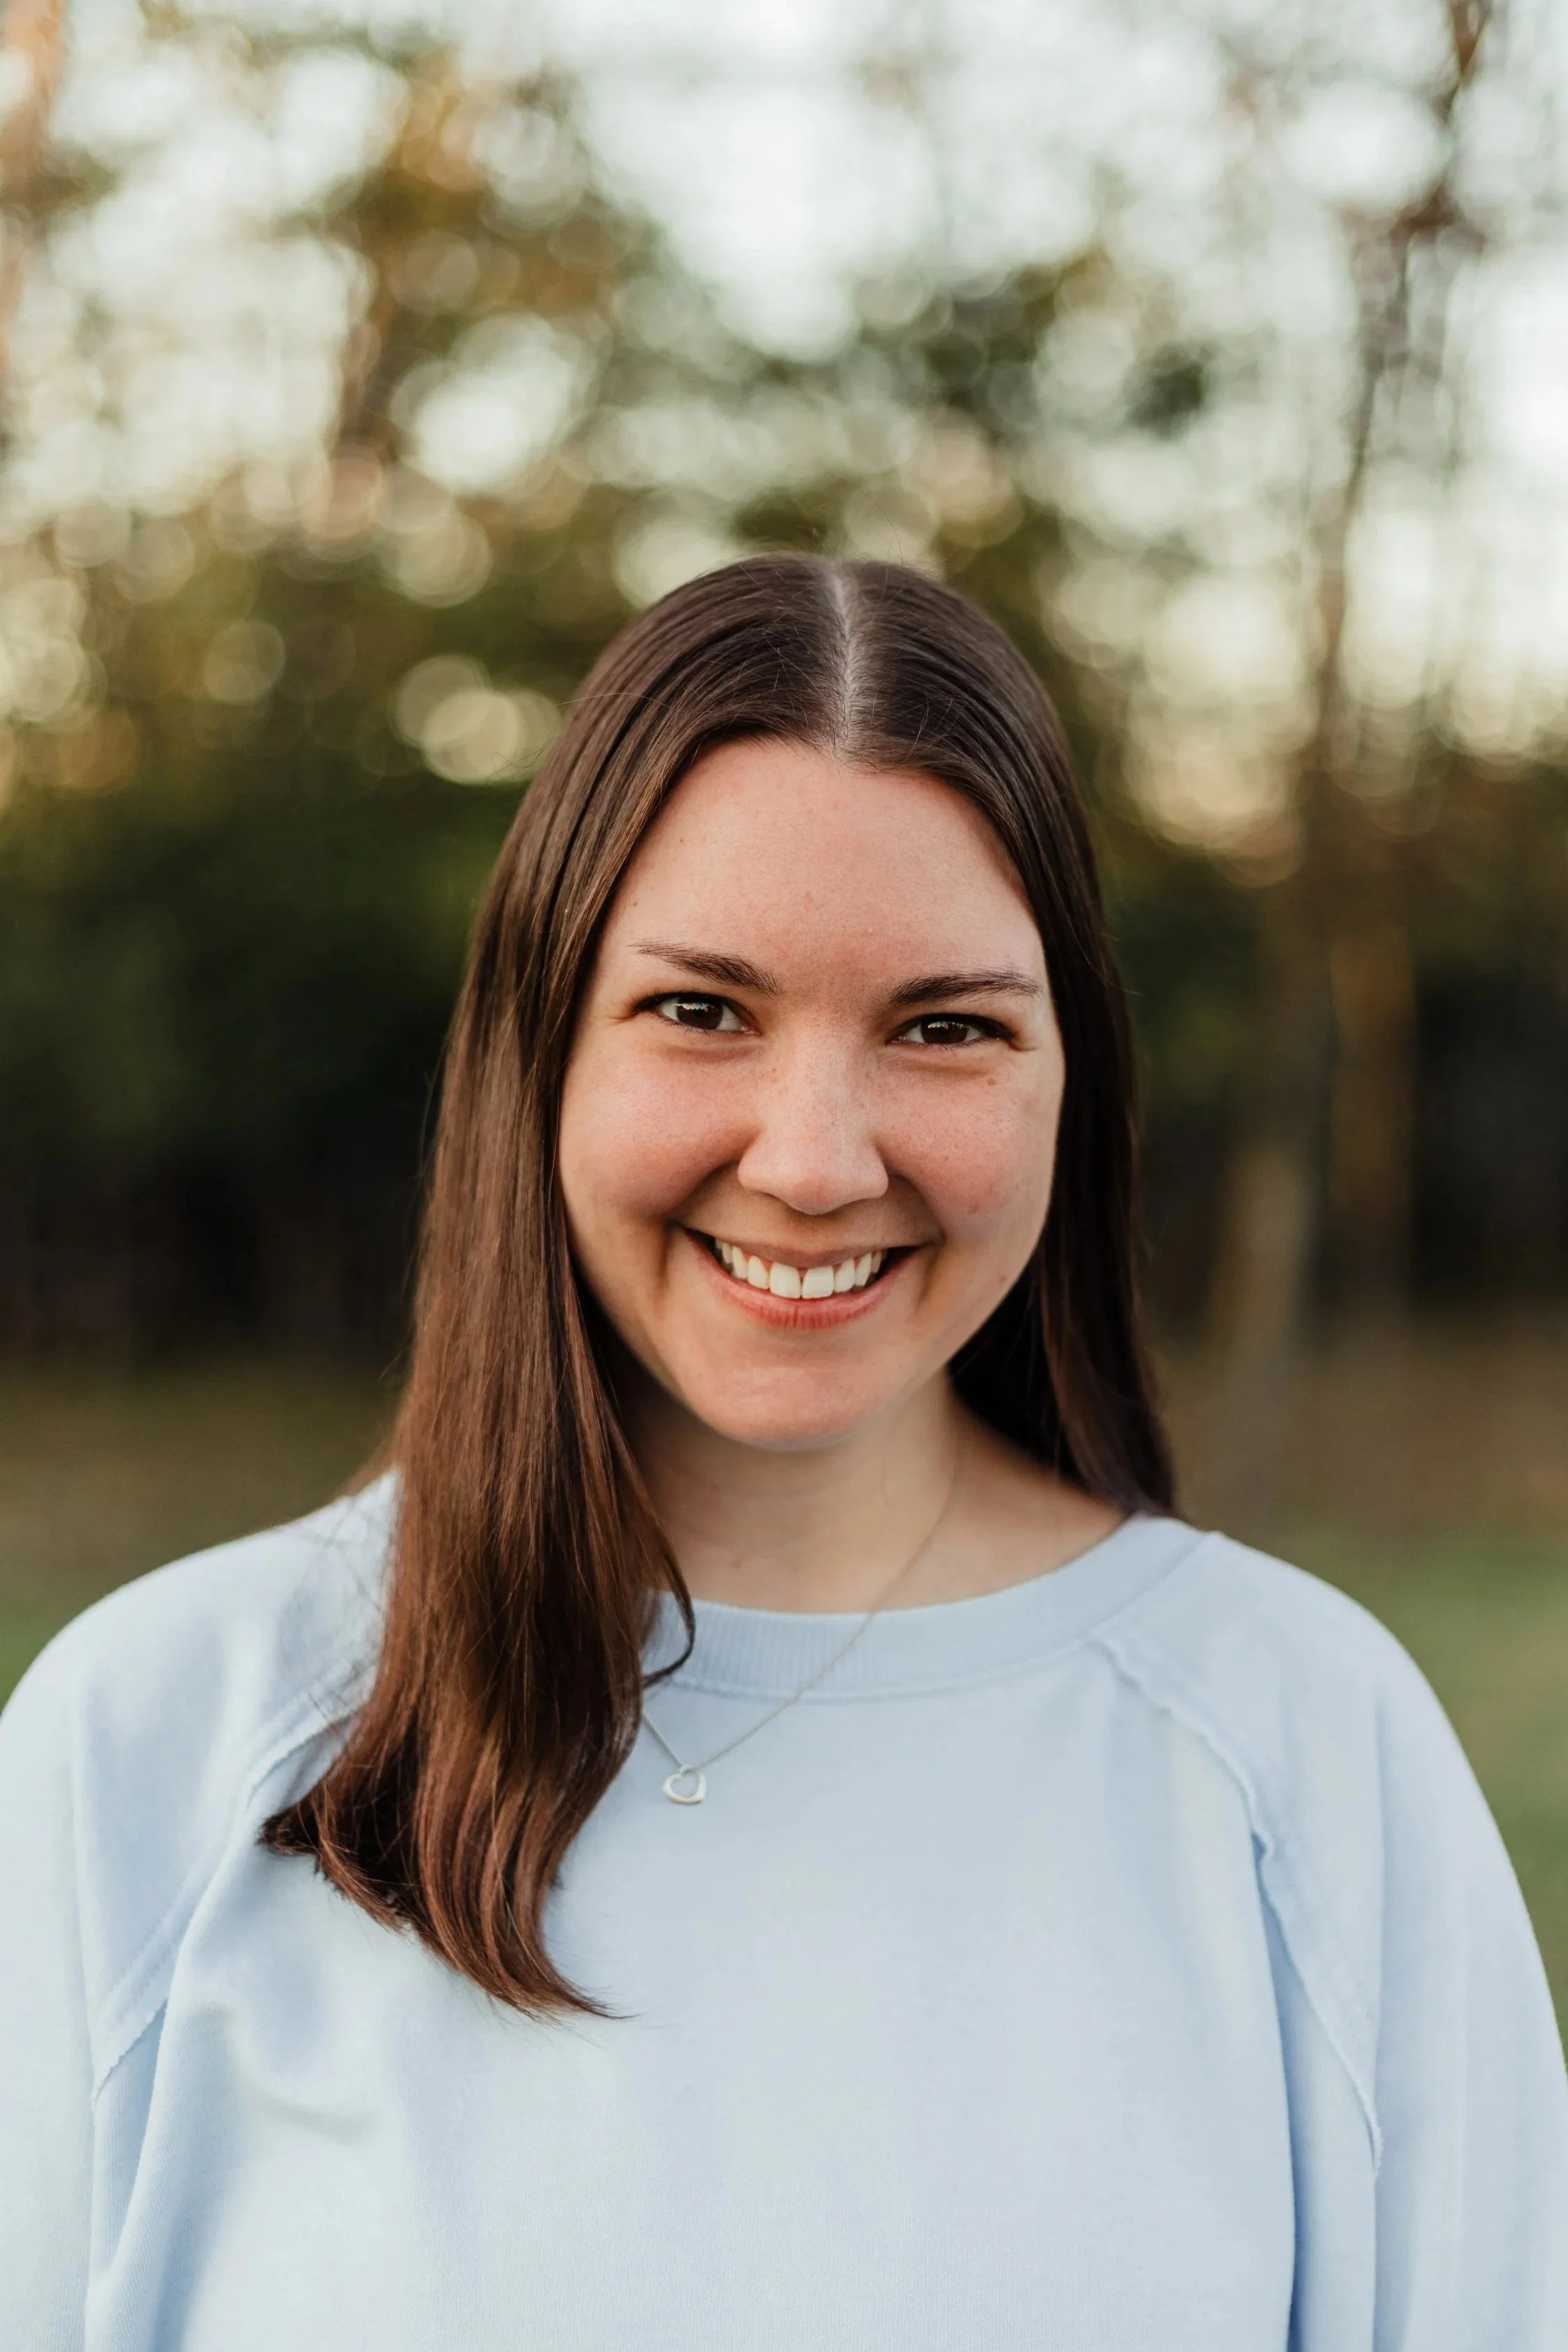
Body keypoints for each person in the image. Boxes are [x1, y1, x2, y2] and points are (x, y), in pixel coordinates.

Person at [1, 554, 1563, 2350]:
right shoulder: (152, 1745)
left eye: (946, 1027)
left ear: (1074, 1083)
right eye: (701, 1010)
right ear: (541, 1054)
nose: (816, 1159)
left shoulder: (1310, 1754)